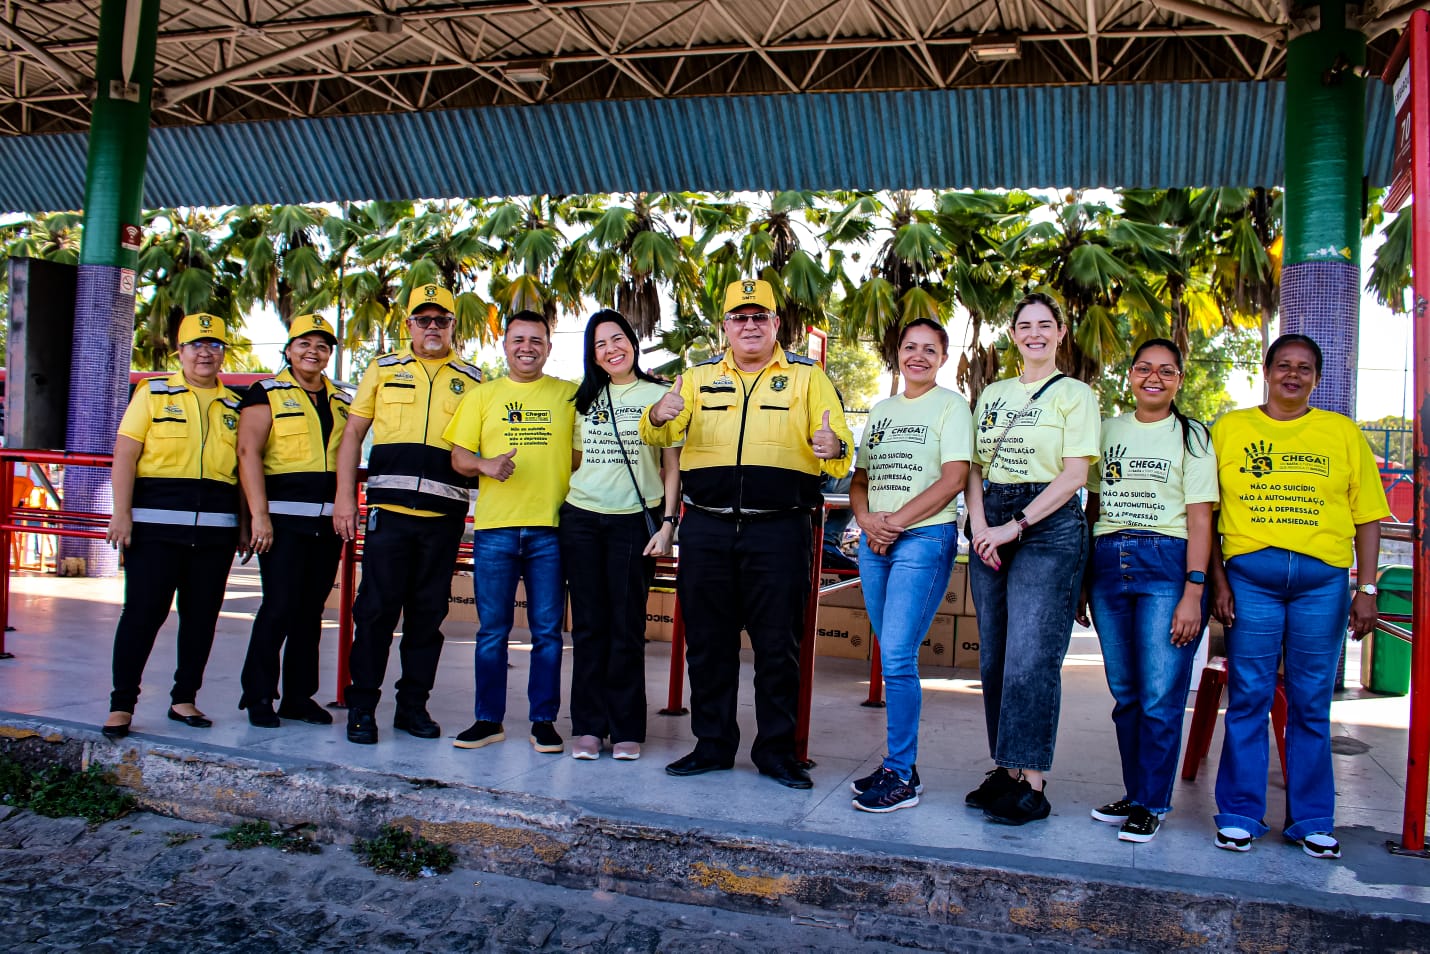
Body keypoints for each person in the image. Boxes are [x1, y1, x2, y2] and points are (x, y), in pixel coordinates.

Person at [641, 278, 853, 789]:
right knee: (708, 644)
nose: (750, 325)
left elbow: (842, 444)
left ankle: (776, 752)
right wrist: (657, 414)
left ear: (777, 324)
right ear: (725, 327)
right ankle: (712, 745)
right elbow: (658, 435)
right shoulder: (694, 378)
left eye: (760, 316)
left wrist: (833, 445)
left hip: (780, 531)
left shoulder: (808, 377)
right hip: (708, 527)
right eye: (740, 317)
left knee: (777, 645)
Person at [1207, 334, 1389, 859]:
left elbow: (1367, 516)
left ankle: (1311, 820)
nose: (1293, 374)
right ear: (1266, 371)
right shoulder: (1231, 428)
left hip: (1322, 584)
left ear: (1316, 378)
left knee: (1311, 704)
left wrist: (1367, 588)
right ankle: (1239, 813)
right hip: (1250, 580)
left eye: (1304, 368)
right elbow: (1208, 512)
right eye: (1283, 365)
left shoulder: (1342, 432)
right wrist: (1218, 581)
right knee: (1248, 698)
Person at [964, 292, 1100, 825]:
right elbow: (974, 466)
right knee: (994, 656)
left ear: (1061, 333)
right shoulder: (993, 393)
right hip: (990, 522)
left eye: (1046, 324)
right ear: (1013, 333)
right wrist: (980, 527)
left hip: (1046, 526)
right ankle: (1006, 768)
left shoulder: (1076, 395)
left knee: (1031, 656)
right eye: (1025, 325)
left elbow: (1074, 474)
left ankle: (1033, 782)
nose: (1035, 333)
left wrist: (1014, 526)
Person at [1077, 338, 1217, 843]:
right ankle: (1135, 795)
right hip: (1109, 561)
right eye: (1143, 368)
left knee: (1160, 695)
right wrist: (1083, 581)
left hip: (1166, 563)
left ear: (1179, 378)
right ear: (1129, 375)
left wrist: (1194, 591)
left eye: (1166, 370)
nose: (1153, 377)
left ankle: (1154, 803)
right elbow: (1092, 504)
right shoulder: (1108, 430)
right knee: (1126, 694)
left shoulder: (1193, 437)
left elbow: (1201, 519)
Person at [334, 283, 482, 745]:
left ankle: (412, 707)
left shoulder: (474, 379)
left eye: (442, 319)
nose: (432, 327)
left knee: (427, 616)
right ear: (409, 325)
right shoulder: (382, 369)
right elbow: (353, 435)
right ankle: (362, 708)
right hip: (389, 515)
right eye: (424, 319)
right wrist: (344, 498)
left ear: (454, 325)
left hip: (444, 518)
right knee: (375, 613)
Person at [101, 313, 248, 738]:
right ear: (179, 352)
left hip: (216, 531)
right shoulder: (153, 393)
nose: (206, 352)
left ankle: (184, 699)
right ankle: (122, 704)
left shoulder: (235, 405)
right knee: (143, 615)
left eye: (215, 345)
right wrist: (121, 512)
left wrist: (242, 523)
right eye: (196, 345)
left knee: (201, 617)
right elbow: (126, 455)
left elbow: (242, 467)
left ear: (224, 354)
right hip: (155, 528)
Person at [847, 318, 972, 812]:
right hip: (876, 539)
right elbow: (861, 479)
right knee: (889, 653)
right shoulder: (879, 411)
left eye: (929, 349)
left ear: (943, 358)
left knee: (898, 656)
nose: (917, 356)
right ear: (896, 354)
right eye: (909, 347)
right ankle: (900, 765)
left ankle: (901, 775)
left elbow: (954, 478)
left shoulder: (952, 407)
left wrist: (894, 522)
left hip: (922, 537)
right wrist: (866, 521)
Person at [445, 310, 578, 754]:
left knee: (546, 633)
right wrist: (486, 464)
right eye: (518, 339)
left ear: (548, 346)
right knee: (492, 631)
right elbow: (459, 458)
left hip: (551, 529)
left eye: (536, 340)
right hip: (496, 531)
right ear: (504, 346)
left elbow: (581, 457)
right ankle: (488, 720)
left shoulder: (569, 395)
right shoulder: (482, 397)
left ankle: (544, 721)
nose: (527, 347)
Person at [560, 310, 681, 761]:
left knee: (627, 627)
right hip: (582, 519)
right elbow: (574, 461)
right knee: (589, 627)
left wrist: (668, 524)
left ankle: (627, 726)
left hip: (635, 521)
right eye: (599, 344)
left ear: (633, 342)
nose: (611, 349)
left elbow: (672, 466)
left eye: (618, 339)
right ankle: (590, 726)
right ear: (592, 355)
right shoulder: (584, 399)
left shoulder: (660, 395)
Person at [235, 314, 350, 728]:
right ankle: (259, 695)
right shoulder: (265, 393)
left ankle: (300, 697)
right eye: (304, 343)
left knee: (310, 611)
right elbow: (248, 454)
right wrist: (258, 517)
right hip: (281, 522)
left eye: (321, 346)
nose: (312, 352)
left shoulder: (340, 399)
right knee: (279, 606)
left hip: (325, 523)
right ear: (288, 349)